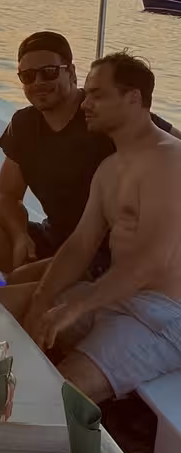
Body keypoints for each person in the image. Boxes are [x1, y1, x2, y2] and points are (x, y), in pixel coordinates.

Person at [18, 54, 181, 404]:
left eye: (97, 95)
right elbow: (80, 245)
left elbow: (151, 260)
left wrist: (74, 308)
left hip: (161, 317)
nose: (85, 104)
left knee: (58, 394)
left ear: (133, 98)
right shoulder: (110, 168)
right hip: (115, 298)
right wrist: (41, 302)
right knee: (7, 314)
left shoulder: (169, 160)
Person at [0, 31, 175, 279]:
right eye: (27, 76)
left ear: (71, 72)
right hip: (52, 239)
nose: (38, 82)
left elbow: (167, 140)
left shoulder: (102, 113)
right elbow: (8, 196)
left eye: (49, 72)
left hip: (106, 257)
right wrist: (19, 236)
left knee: (13, 286)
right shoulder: (23, 124)